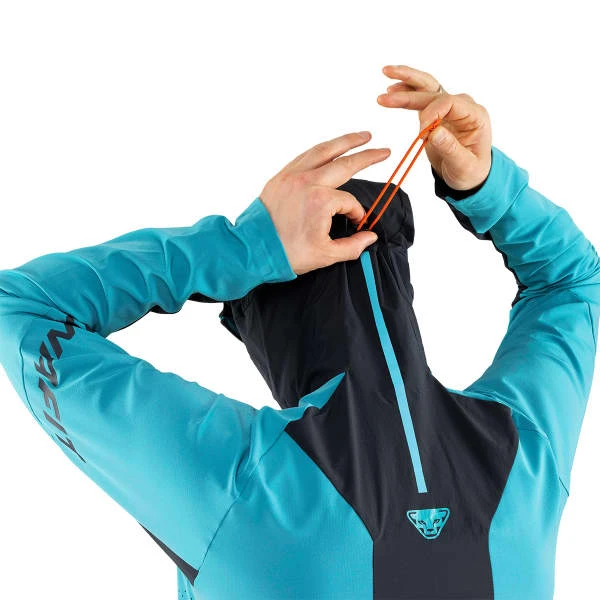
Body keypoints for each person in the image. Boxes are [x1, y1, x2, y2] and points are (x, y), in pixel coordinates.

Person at [0, 64, 597, 600]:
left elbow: (20, 307)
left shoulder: (245, 489)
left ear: (267, 327)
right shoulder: (521, 463)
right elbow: (574, 282)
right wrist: (488, 188)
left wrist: (243, 249)